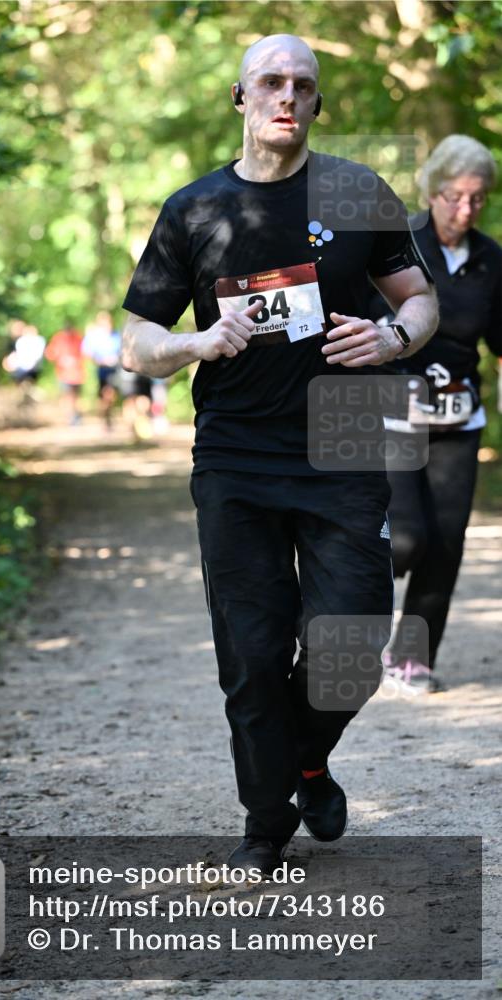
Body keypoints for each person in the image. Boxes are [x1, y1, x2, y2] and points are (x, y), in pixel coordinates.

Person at [121, 34, 438, 875]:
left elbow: (418, 298)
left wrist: (392, 334)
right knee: (253, 653)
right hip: (234, 458)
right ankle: (264, 825)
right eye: (270, 81)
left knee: (351, 641)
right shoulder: (192, 211)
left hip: (343, 445)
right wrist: (192, 346)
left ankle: (305, 760)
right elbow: (134, 340)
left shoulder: (356, 190)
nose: (286, 95)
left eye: (301, 83)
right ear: (240, 97)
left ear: (316, 103)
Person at [371, 136, 501, 694]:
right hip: (394, 411)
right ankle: (343, 603)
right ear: (432, 191)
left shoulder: (492, 260)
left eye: (477, 199)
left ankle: (410, 657)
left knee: (447, 541)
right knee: (405, 540)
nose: (465, 209)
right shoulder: (399, 243)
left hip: (458, 418)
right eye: (454, 196)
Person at [82, 311, 122, 429]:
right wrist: (100, 360)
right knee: (104, 395)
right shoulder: (94, 337)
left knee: (111, 395)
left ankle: (108, 416)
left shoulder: (116, 335)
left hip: (115, 369)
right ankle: (105, 419)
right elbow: (87, 352)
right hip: (102, 370)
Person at [45, 322, 86, 425]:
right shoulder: (58, 338)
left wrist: (75, 360)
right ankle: (70, 417)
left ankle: (76, 415)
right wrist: (61, 359)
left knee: (75, 396)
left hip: (77, 374)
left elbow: (85, 352)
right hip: (63, 374)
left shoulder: (78, 337)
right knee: (67, 396)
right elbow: (50, 353)